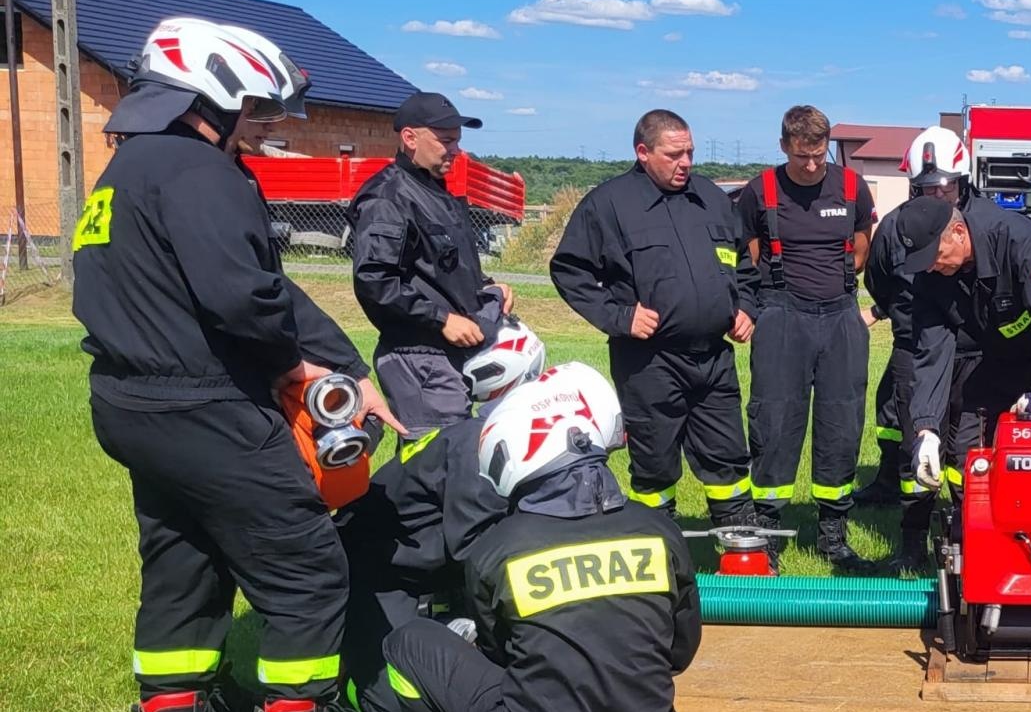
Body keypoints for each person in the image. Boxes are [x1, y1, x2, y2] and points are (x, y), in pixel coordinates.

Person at [73, 18, 399, 712]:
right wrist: (299, 368)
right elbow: (245, 298)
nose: (259, 124)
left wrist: (348, 365)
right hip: (203, 407)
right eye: (251, 107)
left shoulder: (124, 171)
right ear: (207, 98)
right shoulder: (199, 172)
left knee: (184, 565)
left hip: (129, 404)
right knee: (307, 568)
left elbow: (262, 287)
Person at [380, 363, 699, 712]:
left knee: (406, 646)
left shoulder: (496, 549)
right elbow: (680, 652)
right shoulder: (659, 530)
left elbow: (500, 655)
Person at [550, 109, 759, 530]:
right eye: (674, 155)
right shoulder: (609, 204)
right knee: (654, 466)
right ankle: (660, 547)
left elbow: (743, 266)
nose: (686, 163)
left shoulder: (711, 198)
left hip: (713, 360)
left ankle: (742, 549)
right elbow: (569, 271)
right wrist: (619, 316)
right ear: (643, 152)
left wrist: (745, 309)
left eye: (690, 153)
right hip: (649, 363)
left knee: (729, 460)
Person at [338, 320, 545, 712]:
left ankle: (444, 628)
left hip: (426, 564)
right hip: (377, 572)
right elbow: (478, 554)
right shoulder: (476, 447)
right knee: (394, 707)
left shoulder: (485, 435)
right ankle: (345, 680)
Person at [895, 195, 1031, 516]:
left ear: (959, 233)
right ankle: (980, 527)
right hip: (999, 351)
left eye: (936, 255)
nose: (932, 266)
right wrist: (926, 429)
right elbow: (930, 351)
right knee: (970, 445)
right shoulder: (931, 275)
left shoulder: (1019, 240)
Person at [736, 106, 876, 571]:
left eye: (819, 155)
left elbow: (862, 246)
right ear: (784, 147)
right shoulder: (760, 191)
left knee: (842, 423)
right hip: (781, 314)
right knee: (774, 421)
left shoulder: (852, 187)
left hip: (840, 315)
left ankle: (833, 533)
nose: (812, 165)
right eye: (801, 156)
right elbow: (750, 257)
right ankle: (767, 532)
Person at [350, 91, 515, 433]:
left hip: (449, 353)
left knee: (458, 452)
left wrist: (487, 288)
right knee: (438, 455)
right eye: (446, 141)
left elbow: (441, 268)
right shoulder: (388, 197)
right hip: (419, 358)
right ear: (410, 138)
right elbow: (376, 282)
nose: (456, 150)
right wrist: (441, 320)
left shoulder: (434, 191)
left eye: (458, 141)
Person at [858, 126, 976, 570]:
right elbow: (878, 281)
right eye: (928, 189)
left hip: (971, 354)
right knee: (918, 442)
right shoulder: (894, 228)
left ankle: (969, 534)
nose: (938, 196)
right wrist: (901, 317)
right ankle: (912, 545)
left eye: (946, 187)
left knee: (966, 448)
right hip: (914, 348)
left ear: (962, 183)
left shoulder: (976, 226)